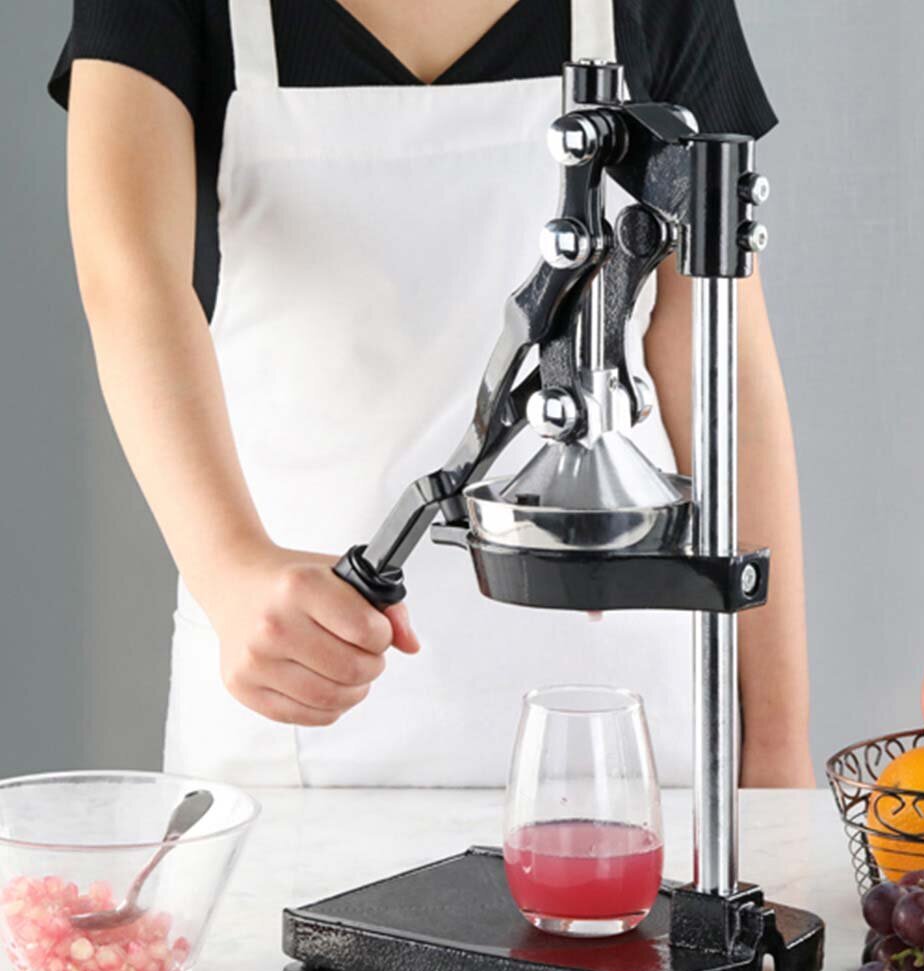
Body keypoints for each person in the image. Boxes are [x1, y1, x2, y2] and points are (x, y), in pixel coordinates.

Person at [50, 0, 814, 788]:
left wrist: (778, 744)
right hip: (289, 693)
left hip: (633, 728)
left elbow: (721, 359)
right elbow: (129, 281)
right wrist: (230, 570)